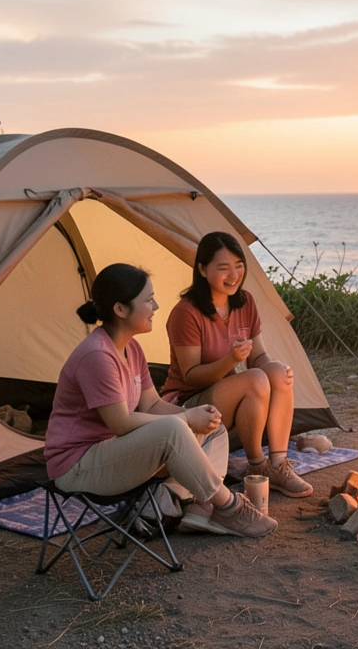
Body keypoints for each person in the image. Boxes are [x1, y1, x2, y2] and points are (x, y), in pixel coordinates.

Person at [44, 263, 276, 538]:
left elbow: (152, 404)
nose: (155, 306)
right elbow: (121, 423)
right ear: (120, 309)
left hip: (115, 453)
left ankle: (196, 508)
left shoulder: (131, 347)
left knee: (213, 428)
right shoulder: (97, 356)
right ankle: (229, 507)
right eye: (147, 300)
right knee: (174, 429)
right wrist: (185, 418)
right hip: (78, 466)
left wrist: (196, 415)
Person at [160, 231, 313, 498]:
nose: (233, 274)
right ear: (203, 269)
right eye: (224, 267)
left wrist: (276, 368)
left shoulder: (246, 302)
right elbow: (191, 375)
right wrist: (230, 360)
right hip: (187, 405)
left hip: (225, 400)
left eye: (239, 266)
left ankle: (277, 465)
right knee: (255, 379)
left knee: (274, 373)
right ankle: (257, 466)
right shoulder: (186, 313)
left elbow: (258, 357)